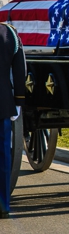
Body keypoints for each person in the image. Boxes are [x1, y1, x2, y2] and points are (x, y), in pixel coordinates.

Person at [0, 23, 26, 219]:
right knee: (3, 156)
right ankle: (3, 205)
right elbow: (19, 69)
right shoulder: (9, 32)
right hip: (3, 104)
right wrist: (18, 100)